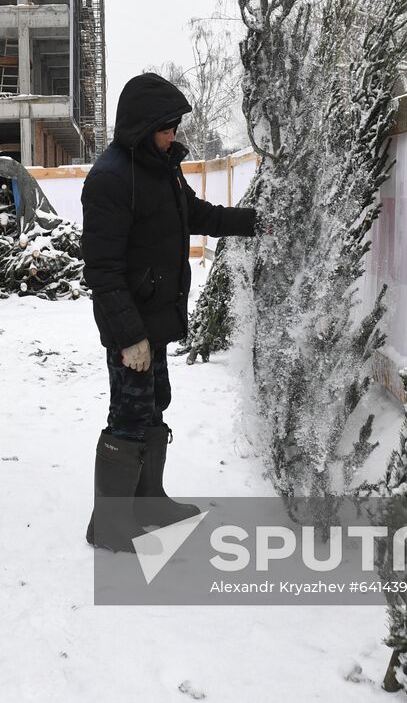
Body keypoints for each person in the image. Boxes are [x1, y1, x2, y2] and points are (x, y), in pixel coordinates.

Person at [81, 71, 257, 552]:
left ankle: (149, 501)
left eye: (175, 126)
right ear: (141, 126)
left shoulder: (162, 167)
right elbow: (102, 269)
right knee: (129, 415)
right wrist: (129, 336)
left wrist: (254, 221)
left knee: (154, 403)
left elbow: (194, 214)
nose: (173, 135)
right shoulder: (110, 179)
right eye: (165, 127)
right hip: (132, 326)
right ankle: (111, 525)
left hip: (155, 319)